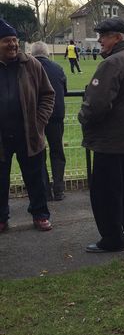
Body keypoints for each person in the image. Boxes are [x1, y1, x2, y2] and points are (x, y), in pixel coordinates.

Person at [79, 18, 124, 252]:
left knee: (107, 192)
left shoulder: (113, 62)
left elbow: (97, 104)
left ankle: (111, 239)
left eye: (104, 35)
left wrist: (83, 116)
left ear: (117, 37)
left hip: (111, 139)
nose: (99, 40)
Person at [0, 19, 55, 233]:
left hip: (29, 133)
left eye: (15, 40)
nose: (13, 44)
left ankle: (40, 214)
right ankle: (2, 217)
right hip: (2, 137)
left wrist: (39, 122)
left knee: (36, 178)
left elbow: (48, 95)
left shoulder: (31, 64)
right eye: (7, 41)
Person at [31, 41, 68, 201]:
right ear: (47, 53)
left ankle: (44, 190)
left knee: (38, 153)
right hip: (55, 114)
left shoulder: (27, 68)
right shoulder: (57, 68)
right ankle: (59, 189)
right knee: (57, 151)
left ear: (32, 54)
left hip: (35, 117)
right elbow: (64, 90)